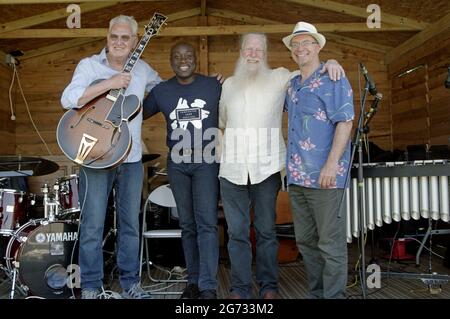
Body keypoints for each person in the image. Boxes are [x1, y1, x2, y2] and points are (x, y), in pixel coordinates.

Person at [218, 32, 345, 299]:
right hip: (232, 171)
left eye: (258, 49)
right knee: (237, 233)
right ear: (241, 52)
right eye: (248, 49)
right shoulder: (228, 85)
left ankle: (269, 287)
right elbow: (222, 124)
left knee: (265, 230)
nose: (252, 54)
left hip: (266, 168)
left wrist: (331, 61)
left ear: (265, 54)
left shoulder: (281, 78)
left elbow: (311, 70)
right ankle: (240, 289)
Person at [61, 15, 161, 299]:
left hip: (129, 158)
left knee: (130, 223)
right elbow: (69, 99)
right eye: (114, 36)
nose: (119, 42)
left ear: (135, 42)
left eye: (125, 38)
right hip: (94, 154)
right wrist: (110, 83)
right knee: (93, 222)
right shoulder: (89, 66)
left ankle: (130, 283)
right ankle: (91, 286)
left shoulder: (143, 70)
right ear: (107, 38)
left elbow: (164, 90)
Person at [143, 42, 221, 299]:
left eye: (188, 56)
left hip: (206, 161)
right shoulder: (161, 91)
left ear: (196, 59)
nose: (183, 60)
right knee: (187, 225)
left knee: (207, 224)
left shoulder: (213, 85)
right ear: (170, 60)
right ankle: (193, 281)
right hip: (177, 163)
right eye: (177, 56)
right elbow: (133, 114)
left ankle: (208, 286)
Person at [283, 22, 354, 299]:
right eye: (295, 44)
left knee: (330, 244)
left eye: (306, 43)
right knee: (307, 243)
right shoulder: (292, 85)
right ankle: (317, 295)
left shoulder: (333, 79)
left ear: (318, 47)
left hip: (325, 176)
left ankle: (333, 296)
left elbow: (345, 123)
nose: (300, 48)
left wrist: (331, 164)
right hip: (297, 178)